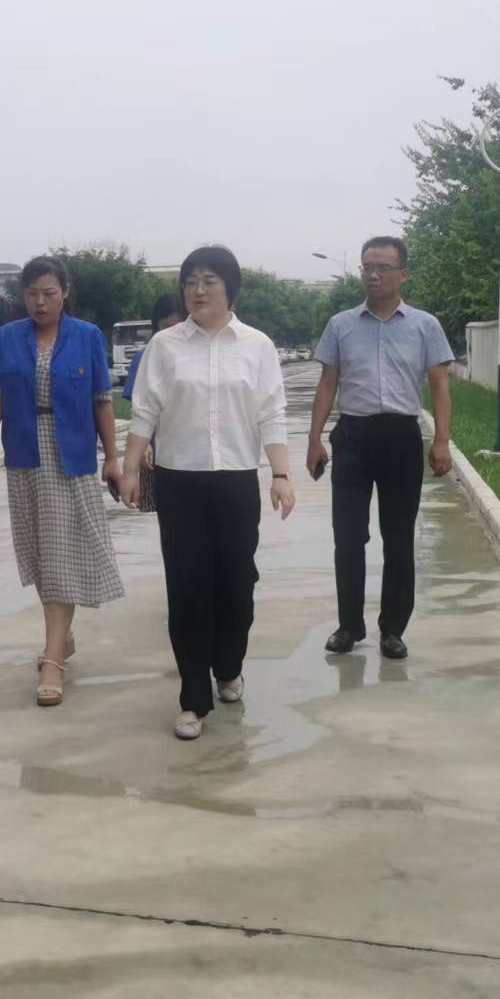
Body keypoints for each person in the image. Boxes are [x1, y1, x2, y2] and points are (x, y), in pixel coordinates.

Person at [122, 246, 295, 740]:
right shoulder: (165, 346)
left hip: (236, 481)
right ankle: (193, 698)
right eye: (190, 281)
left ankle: (229, 666)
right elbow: (145, 411)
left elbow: (271, 411)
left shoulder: (257, 346)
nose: (197, 291)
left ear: (230, 289)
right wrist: (130, 468)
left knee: (237, 586)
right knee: (188, 589)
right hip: (180, 482)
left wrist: (281, 474)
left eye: (208, 281)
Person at [0, 256, 124, 707]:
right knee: (40, 552)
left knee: (61, 555)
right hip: (24, 452)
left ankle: (53, 658)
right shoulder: (8, 337)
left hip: (70, 455)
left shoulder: (86, 336)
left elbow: (102, 401)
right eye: (32, 294)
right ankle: (62, 636)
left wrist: (112, 457)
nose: (40, 302)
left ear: (65, 293)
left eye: (49, 293)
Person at [306, 236, 454, 661]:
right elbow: (327, 384)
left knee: (398, 537)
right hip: (353, 437)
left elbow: (440, 386)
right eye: (367, 267)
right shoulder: (341, 325)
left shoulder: (425, 325)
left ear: (402, 274)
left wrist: (441, 441)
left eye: (383, 268)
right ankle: (349, 626)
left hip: (401, 438)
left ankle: (393, 629)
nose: (373, 275)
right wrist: (314, 438)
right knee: (348, 536)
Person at [119, 292, 187, 513]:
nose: (172, 332)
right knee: (168, 514)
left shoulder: (200, 356)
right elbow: (138, 409)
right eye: (166, 326)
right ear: (156, 326)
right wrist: (144, 445)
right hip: (156, 452)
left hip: (192, 452)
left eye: (178, 325)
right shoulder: (144, 357)